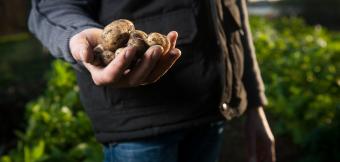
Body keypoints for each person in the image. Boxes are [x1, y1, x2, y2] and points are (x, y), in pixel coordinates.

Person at [28, 0, 275, 162]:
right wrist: (76, 35)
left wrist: (254, 102)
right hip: (140, 127)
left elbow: (233, 14)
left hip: (210, 114)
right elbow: (52, 5)